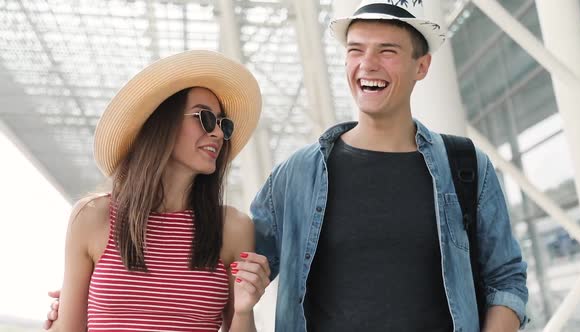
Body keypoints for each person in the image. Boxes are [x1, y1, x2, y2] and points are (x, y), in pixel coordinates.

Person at [46, 1, 529, 331]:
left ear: (422, 66)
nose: (368, 64)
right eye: (356, 50)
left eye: (388, 51)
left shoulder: (465, 167)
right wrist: (84, 301)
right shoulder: (297, 177)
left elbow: (505, 279)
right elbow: (232, 283)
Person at [44, 50, 270, 331]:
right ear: (162, 122)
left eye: (224, 124)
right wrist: (61, 316)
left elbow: (239, 322)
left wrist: (244, 311)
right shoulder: (92, 217)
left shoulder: (233, 228)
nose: (218, 134)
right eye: (205, 118)